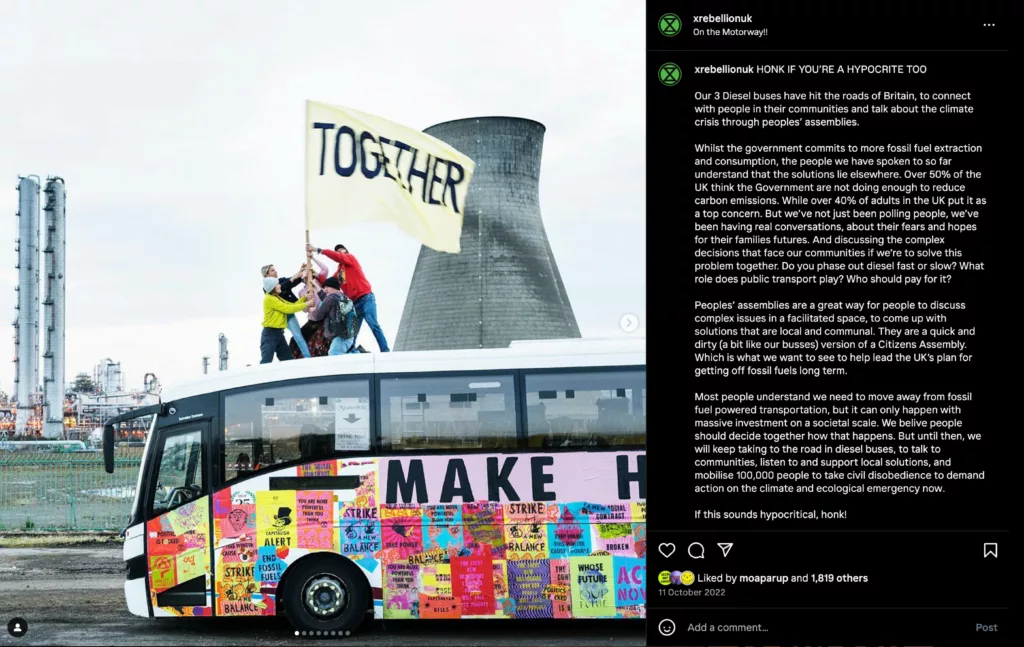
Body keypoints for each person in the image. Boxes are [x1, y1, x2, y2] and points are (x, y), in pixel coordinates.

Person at [307, 243, 390, 352]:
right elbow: (329, 283)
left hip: (366, 298)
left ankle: (385, 351)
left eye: (342, 250)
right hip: (354, 303)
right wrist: (316, 275)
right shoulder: (339, 273)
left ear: (346, 252)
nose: (340, 252)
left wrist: (317, 250)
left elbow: (339, 257)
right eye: (338, 251)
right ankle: (352, 352)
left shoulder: (351, 259)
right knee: (352, 330)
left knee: (373, 324)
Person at [260, 263, 312, 358]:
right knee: (268, 355)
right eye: (272, 270)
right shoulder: (267, 289)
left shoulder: (281, 281)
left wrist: (301, 273)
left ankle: (308, 358)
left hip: (288, 314)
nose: (276, 271)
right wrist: (306, 303)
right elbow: (286, 285)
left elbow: (292, 281)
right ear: (266, 275)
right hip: (277, 322)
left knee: (298, 337)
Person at [308, 277, 358, 355]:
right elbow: (325, 298)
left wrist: (312, 310)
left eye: (327, 287)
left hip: (341, 337)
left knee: (334, 354)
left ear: (333, 287)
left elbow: (317, 316)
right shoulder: (343, 297)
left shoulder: (331, 298)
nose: (325, 289)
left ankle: (359, 356)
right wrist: (315, 285)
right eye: (324, 287)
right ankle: (356, 353)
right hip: (349, 336)